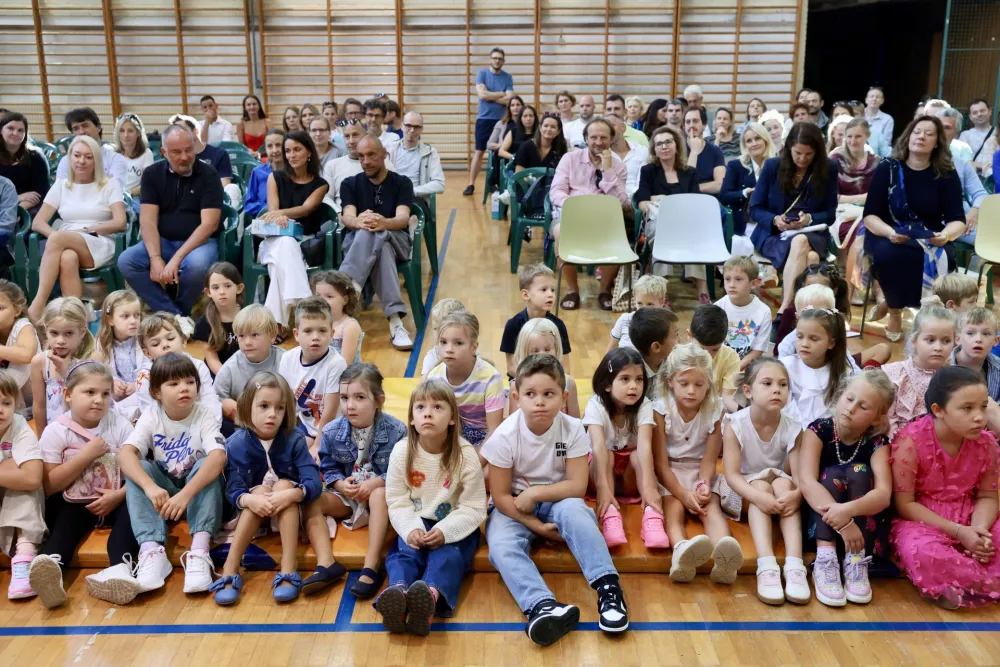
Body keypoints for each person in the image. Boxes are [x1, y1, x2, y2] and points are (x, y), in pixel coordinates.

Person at [483, 354, 629, 646]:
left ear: (563, 398)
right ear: (516, 397)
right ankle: (542, 605)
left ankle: (609, 591)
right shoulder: (504, 436)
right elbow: (499, 496)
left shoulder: (573, 428)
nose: (539, 401)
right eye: (530, 394)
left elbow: (576, 486)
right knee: (499, 545)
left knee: (578, 514)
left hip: (558, 496)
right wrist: (535, 525)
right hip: (514, 506)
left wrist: (536, 493)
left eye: (548, 394)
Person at [375, 379, 487, 635]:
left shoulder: (465, 454)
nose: (428, 412)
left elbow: (473, 506)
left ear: (451, 418)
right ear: (412, 419)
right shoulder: (402, 451)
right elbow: (396, 500)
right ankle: (400, 594)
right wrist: (411, 528)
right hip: (417, 519)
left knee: (448, 557)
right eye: (421, 407)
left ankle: (429, 597)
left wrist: (446, 531)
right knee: (405, 553)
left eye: (437, 407)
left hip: (455, 525)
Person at [211, 372, 333, 605]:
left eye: (279, 408)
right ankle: (230, 567)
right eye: (264, 406)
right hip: (253, 515)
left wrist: (292, 493)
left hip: (287, 514)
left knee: (285, 484)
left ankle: (289, 567)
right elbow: (234, 488)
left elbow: (313, 482)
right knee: (256, 493)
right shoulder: (235, 443)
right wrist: (249, 500)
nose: (272, 414)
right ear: (247, 406)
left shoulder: (294, 439)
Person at [27, 362, 138, 609]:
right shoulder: (56, 431)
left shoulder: (119, 425)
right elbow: (50, 486)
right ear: (68, 395)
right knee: (65, 516)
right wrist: (86, 455)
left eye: (105, 394)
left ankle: (120, 567)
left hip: (114, 498)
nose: (98, 400)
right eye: (89, 392)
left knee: (133, 509)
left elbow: (140, 471)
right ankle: (52, 565)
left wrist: (119, 495)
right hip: (73, 502)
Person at [890, 366, 1000, 609]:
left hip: (973, 516)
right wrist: (960, 533)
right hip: (922, 521)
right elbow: (905, 505)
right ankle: (986, 583)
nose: (980, 417)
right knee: (922, 552)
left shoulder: (987, 443)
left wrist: (979, 532)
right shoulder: (910, 441)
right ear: (938, 410)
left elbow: (988, 496)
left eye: (983, 406)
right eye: (967, 408)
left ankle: (966, 583)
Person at [116, 353, 225, 596]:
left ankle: (199, 550)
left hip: (194, 494)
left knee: (208, 463)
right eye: (173, 384)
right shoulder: (152, 415)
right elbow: (124, 455)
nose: (183, 389)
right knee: (139, 468)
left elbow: (219, 457)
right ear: (156, 392)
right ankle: (151, 550)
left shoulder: (204, 413)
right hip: (164, 496)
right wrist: (150, 487)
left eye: (189, 382)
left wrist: (185, 495)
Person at [861, 116, 966, 340]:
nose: (921, 136)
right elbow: (870, 216)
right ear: (908, 136)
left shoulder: (946, 173)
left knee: (945, 254)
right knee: (890, 254)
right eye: (917, 131)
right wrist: (890, 233)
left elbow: (958, 219)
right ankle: (895, 311)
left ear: (937, 142)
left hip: (929, 236)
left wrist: (946, 235)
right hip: (888, 233)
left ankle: (919, 313)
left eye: (929, 134)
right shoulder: (887, 168)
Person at [798, 369, 896, 607]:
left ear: (876, 417)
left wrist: (848, 513)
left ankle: (855, 561)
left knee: (859, 472)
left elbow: (883, 495)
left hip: (860, 531)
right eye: (849, 399)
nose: (851, 408)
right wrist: (843, 522)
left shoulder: (877, 443)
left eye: (863, 406)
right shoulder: (819, 430)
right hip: (821, 522)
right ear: (840, 396)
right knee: (830, 474)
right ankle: (826, 559)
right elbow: (806, 481)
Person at [652, 343, 746, 586]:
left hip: (699, 470)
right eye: (684, 384)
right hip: (670, 471)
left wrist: (703, 485)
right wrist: (682, 494)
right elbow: (660, 464)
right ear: (671, 381)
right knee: (672, 509)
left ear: (709, 383)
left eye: (699, 384)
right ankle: (681, 552)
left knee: (710, 506)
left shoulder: (716, 409)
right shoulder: (660, 409)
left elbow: (710, 458)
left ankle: (724, 555)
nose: (691, 391)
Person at [721, 358, 806, 605]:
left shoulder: (793, 427)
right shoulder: (735, 423)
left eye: (783, 385)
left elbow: (799, 477)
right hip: (746, 490)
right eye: (767, 383)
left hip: (777, 491)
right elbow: (732, 475)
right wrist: (758, 496)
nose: (776, 390)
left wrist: (797, 494)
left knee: (783, 485)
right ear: (748, 391)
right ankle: (766, 565)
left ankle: (794, 565)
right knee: (761, 485)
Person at [118, 124, 224, 318]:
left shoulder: (209, 175)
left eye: (188, 150)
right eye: (176, 152)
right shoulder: (151, 174)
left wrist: (176, 260)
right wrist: (155, 258)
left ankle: (179, 313)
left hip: (199, 243)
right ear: (163, 152)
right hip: (163, 241)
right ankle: (173, 315)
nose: (184, 157)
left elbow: (209, 224)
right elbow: (148, 221)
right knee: (127, 261)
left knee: (196, 268)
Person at [318, 362, 405, 598]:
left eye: (359, 397)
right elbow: (328, 467)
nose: (350, 405)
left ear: (378, 401)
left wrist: (376, 482)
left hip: (381, 498)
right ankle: (325, 563)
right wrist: (339, 484)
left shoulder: (398, 431)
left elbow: (403, 470)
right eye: (345, 398)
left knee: (378, 494)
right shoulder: (331, 431)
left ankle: (371, 563)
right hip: (348, 499)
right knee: (313, 500)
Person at [26, 136, 127, 319]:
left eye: (88, 157)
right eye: (77, 155)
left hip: (99, 240)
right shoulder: (61, 185)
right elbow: (38, 222)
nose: (81, 161)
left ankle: (37, 305)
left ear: (96, 159)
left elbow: (120, 222)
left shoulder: (109, 184)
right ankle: (76, 317)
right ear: (69, 157)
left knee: (60, 241)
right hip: (66, 240)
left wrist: (86, 231)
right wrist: (58, 239)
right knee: (67, 258)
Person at [749, 122, 838, 314]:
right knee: (811, 257)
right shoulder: (773, 166)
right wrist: (775, 220)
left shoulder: (828, 168)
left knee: (800, 240)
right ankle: (806, 312)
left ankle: (785, 309)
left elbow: (830, 214)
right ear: (789, 148)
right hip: (774, 235)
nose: (802, 158)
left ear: (818, 152)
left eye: (809, 154)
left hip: (812, 233)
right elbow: (755, 209)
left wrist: (809, 219)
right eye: (797, 153)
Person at [585, 347, 667, 549]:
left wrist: (649, 487)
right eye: (625, 379)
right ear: (607, 385)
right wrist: (603, 489)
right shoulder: (596, 405)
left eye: (639, 379)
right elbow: (597, 447)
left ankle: (652, 514)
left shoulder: (644, 405)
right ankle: (610, 513)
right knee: (607, 454)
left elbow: (646, 446)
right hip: (601, 472)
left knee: (638, 454)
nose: (634, 386)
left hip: (631, 475)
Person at [339, 135, 414, 350]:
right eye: (361, 156)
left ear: (384, 154)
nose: (366, 161)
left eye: (371, 155)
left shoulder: (401, 182)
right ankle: (396, 322)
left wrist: (384, 222)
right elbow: (347, 216)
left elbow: (402, 219)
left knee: (376, 232)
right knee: (379, 245)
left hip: (396, 236)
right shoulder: (350, 183)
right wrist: (360, 221)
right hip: (360, 243)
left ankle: (348, 288)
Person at [549, 118, 632, 312]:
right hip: (572, 216)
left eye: (603, 137)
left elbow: (621, 202)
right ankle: (572, 290)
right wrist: (577, 207)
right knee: (560, 231)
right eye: (593, 137)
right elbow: (556, 191)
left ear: (611, 139)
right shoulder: (569, 159)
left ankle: (604, 290)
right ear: (586, 138)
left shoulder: (618, 166)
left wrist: (608, 169)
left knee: (618, 235)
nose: (598, 142)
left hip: (603, 220)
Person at [257, 131, 330, 328]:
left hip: (304, 244)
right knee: (286, 243)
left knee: (278, 268)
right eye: (287, 151)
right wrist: (278, 214)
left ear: (309, 152)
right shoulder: (275, 177)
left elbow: (306, 210)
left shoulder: (320, 184)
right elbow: (273, 214)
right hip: (273, 240)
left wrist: (281, 213)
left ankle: (274, 326)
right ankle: (306, 306)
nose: (291, 155)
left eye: (297, 149)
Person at [634, 126, 706, 300]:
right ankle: (660, 294)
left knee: (696, 236)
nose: (664, 146)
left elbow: (695, 202)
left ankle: (703, 293)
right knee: (662, 233)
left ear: (677, 146)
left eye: (668, 142)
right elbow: (642, 202)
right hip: (659, 222)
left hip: (685, 223)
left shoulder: (690, 173)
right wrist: (661, 200)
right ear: (654, 150)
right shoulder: (648, 171)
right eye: (659, 144)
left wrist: (660, 198)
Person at [277, 297, 346, 456]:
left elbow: (330, 411)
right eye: (308, 331)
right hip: (307, 426)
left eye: (322, 331)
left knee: (308, 460)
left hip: (332, 430)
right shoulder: (288, 359)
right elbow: (285, 401)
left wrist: (317, 445)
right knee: (281, 454)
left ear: (331, 334)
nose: (315, 337)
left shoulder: (336, 364)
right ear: (296, 334)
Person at [427, 311, 504, 448]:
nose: (449, 349)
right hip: (451, 436)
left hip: (484, 436)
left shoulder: (490, 378)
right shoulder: (434, 377)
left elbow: (494, 432)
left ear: (473, 347)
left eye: (458, 343)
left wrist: (475, 464)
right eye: (443, 342)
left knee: (489, 470)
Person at [0, 369, 45, 600]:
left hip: (12, 499)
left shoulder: (18, 426)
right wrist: (8, 469)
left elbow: (31, 478)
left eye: (6, 403)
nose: (1, 410)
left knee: (24, 491)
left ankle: (25, 559)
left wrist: (13, 475)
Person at [882, 304, 956, 437]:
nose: (938, 347)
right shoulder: (895, 375)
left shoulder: (956, 378)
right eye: (930, 340)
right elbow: (888, 420)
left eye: (946, 341)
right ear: (914, 340)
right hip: (901, 445)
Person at [213, 304, 284, 435]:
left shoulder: (286, 361)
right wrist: (228, 406)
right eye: (241, 336)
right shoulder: (230, 368)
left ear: (273, 335)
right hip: (244, 429)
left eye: (255, 335)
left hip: (279, 424)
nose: (247, 342)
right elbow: (214, 399)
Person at [780, 306, 849, 431]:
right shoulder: (785, 367)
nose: (804, 344)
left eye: (814, 339)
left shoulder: (841, 374)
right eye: (800, 336)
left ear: (831, 343)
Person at [500, 264, 571, 378]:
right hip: (522, 381)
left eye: (552, 290)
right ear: (525, 294)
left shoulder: (558, 325)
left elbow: (565, 367)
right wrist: (533, 381)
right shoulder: (513, 325)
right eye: (544, 289)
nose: (550, 295)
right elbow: (512, 367)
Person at [830, 118, 878, 285]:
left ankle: (864, 282)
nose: (852, 141)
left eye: (858, 136)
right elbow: (830, 196)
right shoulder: (834, 159)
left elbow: (879, 195)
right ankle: (855, 282)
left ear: (867, 136)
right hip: (840, 212)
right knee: (859, 229)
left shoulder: (876, 162)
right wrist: (861, 198)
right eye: (848, 136)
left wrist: (867, 201)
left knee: (871, 228)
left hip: (869, 212)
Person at [721, 122, 778, 258]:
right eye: (749, 140)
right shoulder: (736, 165)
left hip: (771, 222)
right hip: (744, 223)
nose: (753, 143)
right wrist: (744, 193)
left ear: (765, 140)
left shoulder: (777, 165)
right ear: (744, 145)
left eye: (757, 138)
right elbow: (724, 196)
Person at [933, 108, 988, 246]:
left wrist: (974, 211)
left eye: (947, 127)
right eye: (937, 125)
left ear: (956, 133)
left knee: (992, 238)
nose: (940, 130)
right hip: (935, 220)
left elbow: (981, 193)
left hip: (962, 218)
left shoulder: (961, 164)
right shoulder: (920, 159)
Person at [464, 48, 514, 196]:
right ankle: (471, 184)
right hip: (484, 119)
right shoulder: (482, 73)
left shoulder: (507, 77)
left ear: (503, 61)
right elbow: (482, 95)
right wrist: (500, 94)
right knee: (479, 152)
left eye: (500, 58)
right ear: (490, 59)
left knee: (498, 152)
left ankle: (494, 183)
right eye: (494, 58)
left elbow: (510, 99)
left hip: (501, 120)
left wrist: (489, 94)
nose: (497, 60)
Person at [509, 318, 580, 418]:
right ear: (524, 352)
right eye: (535, 350)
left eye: (547, 349)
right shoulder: (515, 385)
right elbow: (513, 423)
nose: (542, 355)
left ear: (557, 348)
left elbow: (576, 422)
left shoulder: (568, 383)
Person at [387, 112, 445, 225]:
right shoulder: (390, 150)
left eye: (417, 127)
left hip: (415, 198)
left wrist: (413, 191)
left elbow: (439, 184)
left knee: (412, 217)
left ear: (421, 129)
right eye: (408, 126)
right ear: (402, 126)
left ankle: (412, 240)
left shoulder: (430, 152)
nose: (412, 130)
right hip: (391, 196)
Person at [168, 114, 239, 207]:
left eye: (183, 131)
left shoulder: (219, 153)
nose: (180, 136)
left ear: (195, 131)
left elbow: (225, 184)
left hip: (214, 198)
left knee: (232, 188)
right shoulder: (177, 158)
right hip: (186, 201)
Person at [716, 256, 771, 370]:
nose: (731, 284)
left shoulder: (764, 312)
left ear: (753, 283)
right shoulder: (717, 308)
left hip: (747, 366)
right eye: (727, 279)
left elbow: (757, 351)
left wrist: (736, 368)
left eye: (738, 279)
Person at [192, 262, 243, 376]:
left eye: (227, 286)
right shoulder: (205, 322)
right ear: (208, 292)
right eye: (215, 287)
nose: (222, 292)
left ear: (239, 288)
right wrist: (228, 379)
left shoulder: (248, 315)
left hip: (245, 370)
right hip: (218, 374)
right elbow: (212, 359)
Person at [55, 108, 127, 189]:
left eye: (85, 126)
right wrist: (104, 182)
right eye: (76, 128)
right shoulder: (66, 161)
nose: (81, 132)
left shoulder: (115, 159)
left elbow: (115, 189)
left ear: (98, 128)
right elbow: (61, 191)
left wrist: (76, 186)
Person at [688, 304, 742, 413]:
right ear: (689, 336)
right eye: (702, 349)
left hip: (712, 413)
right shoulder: (678, 356)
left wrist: (744, 413)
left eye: (714, 350)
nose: (707, 355)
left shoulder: (730, 357)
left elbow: (728, 396)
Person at [0, 112, 50, 215]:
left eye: (20, 130)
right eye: (10, 128)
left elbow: (42, 191)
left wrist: (19, 210)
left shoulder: (36, 156)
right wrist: (17, 198)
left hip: (28, 206)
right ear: (1, 130)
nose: (15, 133)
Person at [310, 270, 364, 364]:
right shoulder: (316, 323)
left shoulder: (349, 326)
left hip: (347, 376)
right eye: (318, 296)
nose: (322, 301)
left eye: (329, 296)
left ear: (345, 300)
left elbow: (344, 364)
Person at [952, 307, 1000, 402]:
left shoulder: (998, 368)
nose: (978, 339)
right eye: (970, 333)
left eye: (986, 334)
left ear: (996, 341)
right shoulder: (941, 365)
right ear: (958, 339)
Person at [112, 113, 153, 211]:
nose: (126, 135)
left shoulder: (146, 154)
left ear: (138, 133)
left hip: (134, 198)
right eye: (122, 131)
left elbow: (147, 184)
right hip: (113, 197)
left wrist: (127, 194)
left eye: (130, 131)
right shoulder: (112, 153)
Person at [628, 306, 680, 380]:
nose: (680, 340)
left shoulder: (675, 363)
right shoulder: (633, 376)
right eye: (676, 335)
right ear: (656, 347)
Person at [243, 129, 285, 219]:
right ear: (265, 149)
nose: (274, 150)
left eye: (278, 145)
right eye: (269, 146)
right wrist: (267, 209)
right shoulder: (257, 172)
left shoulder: (294, 171)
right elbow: (249, 204)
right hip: (264, 220)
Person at [420, 298, 466, 377]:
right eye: (435, 328)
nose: (439, 335)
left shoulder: (469, 353)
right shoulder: (432, 356)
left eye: (445, 330)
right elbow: (423, 386)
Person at [684, 108, 725, 194]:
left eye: (695, 121)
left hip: (709, 200)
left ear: (704, 125)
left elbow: (720, 184)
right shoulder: (677, 150)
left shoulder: (715, 151)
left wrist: (694, 187)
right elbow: (686, 183)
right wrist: (694, 152)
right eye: (688, 122)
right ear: (684, 126)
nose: (691, 125)